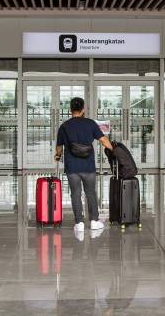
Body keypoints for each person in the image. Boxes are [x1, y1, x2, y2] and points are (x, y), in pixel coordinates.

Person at [55, 97, 113, 234]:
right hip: (88, 166)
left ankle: (79, 223)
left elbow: (59, 147)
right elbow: (104, 140)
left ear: (70, 110)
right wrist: (114, 150)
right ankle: (94, 221)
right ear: (83, 109)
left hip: (72, 167)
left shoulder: (64, 126)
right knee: (91, 193)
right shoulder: (90, 123)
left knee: (75, 194)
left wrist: (57, 156)